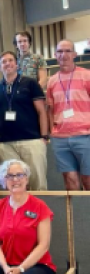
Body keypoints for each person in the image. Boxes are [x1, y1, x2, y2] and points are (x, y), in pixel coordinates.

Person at [0, 51, 48, 190]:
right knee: (14, 185)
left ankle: (39, 212)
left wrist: (44, 136)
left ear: (16, 64)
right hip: (6, 144)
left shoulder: (30, 83)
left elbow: (41, 111)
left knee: (37, 183)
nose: (7, 64)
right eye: (4, 62)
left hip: (32, 141)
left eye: (10, 60)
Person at [46, 39, 90, 190]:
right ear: (55, 55)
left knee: (88, 180)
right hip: (61, 138)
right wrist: (51, 131)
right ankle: (75, 214)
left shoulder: (87, 76)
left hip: (85, 136)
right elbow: (50, 110)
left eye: (67, 51)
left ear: (75, 54)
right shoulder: (51, 81)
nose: (63, 54)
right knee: (70, 182)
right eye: (59, 51)